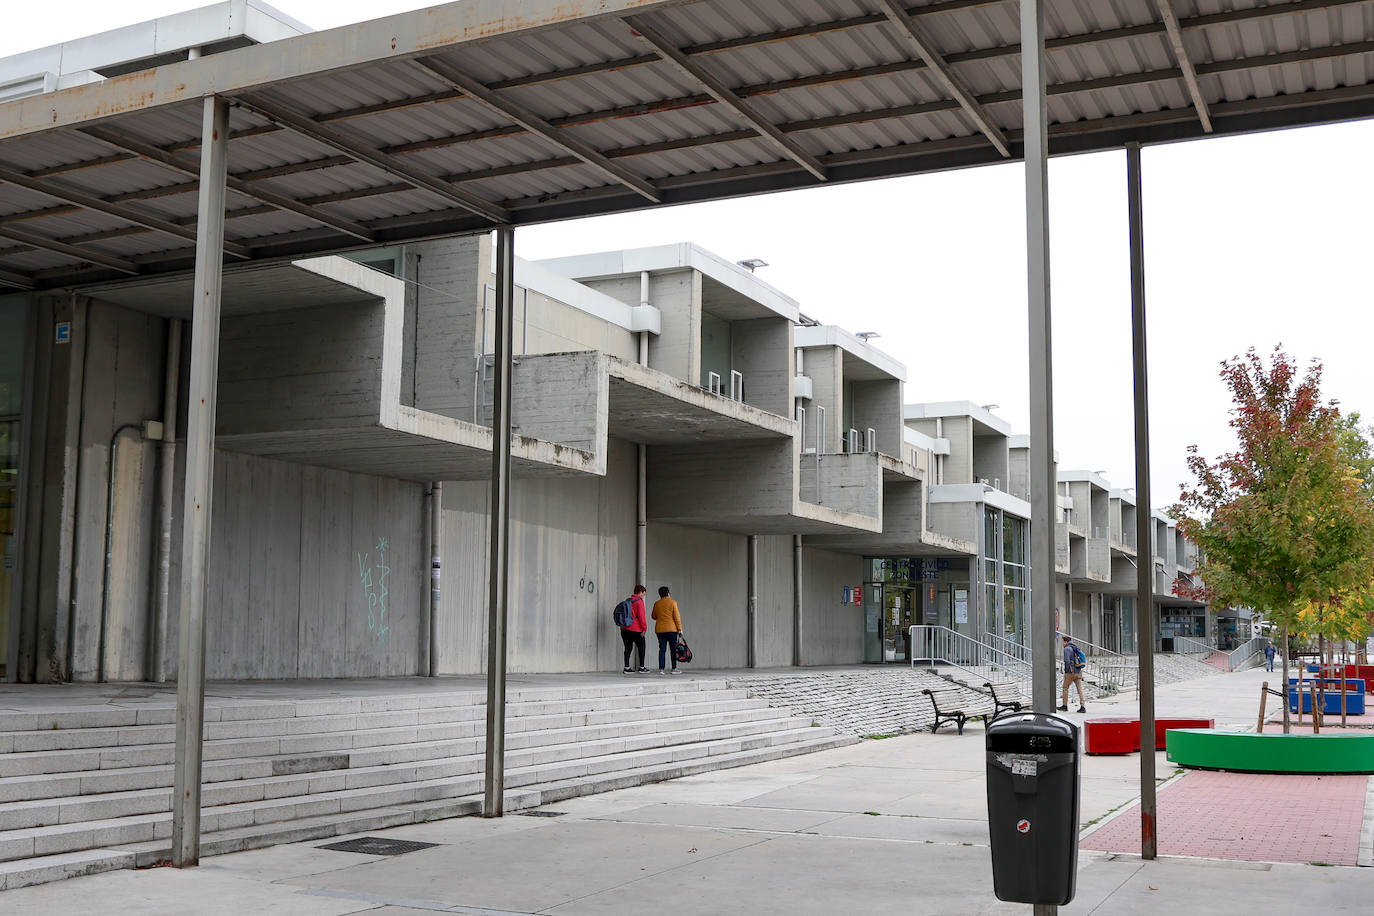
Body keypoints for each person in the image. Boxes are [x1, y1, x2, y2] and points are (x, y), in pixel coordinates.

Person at [651, 585, 684, 675]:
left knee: (662, 649)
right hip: (672, 630)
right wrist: (680, 629)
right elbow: (677, 617)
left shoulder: (657, 604)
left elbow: (653, 616)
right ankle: (674, 668)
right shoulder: (673, 603)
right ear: (668, 593)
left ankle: (661, 669)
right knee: (673, 649)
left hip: (660, 630)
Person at [619, 585, 649, 673]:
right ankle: (642, 667)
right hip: (636, 630)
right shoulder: (639, 602)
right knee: (642, 647)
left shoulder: (628, 600)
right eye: (644, 593)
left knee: (628, 648)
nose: (644, 595)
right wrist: (644, 629)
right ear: (640, 592)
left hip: (624, 629)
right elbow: (641, 617)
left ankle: (627, 667)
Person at [1057, 634, 1086, 713]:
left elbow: (1067, 661)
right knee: (1080, 689)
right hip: (1078, 672)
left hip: (1070, 672)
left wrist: (1066, 671)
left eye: (1063, 642)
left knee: (1065, 688)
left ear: (1066, 642)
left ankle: (1065, 706)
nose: (1063, 643)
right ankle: (1083, 706)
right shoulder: (1075, 647)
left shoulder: (1067, 649)